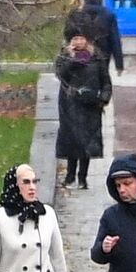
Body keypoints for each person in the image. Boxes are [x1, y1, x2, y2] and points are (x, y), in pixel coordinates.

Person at [53, 34, 111, 189]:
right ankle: (70, 176)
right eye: (75, 39)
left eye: (82, 38)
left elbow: (105, 81)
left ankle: (83, 178)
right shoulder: (64, 56)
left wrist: (103, 98)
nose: (79, 42)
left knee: (87, 140)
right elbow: (60, 74)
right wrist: (71, 59)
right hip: (70, 104)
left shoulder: (97, 58)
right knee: (73, 140)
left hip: (91, 104)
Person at [63, 0, 124, 74]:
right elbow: (115, 40)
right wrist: (119, 65)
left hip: (80, 52)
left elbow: (68, 34)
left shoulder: (75, 13)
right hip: (103, 55)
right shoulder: (108, 14)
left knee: (80, 78)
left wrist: (69, 52)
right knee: (101, 80)